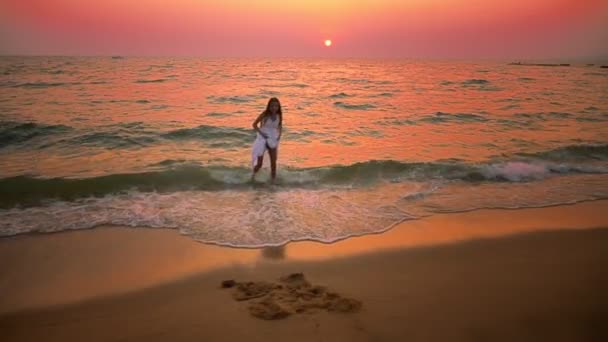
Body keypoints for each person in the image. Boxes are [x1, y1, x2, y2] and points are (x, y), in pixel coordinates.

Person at [251, 97, 283, 182]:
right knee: (259, 164)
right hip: (262, 138)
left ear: (278, 107)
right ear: (269, 106)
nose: (274, 108)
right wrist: (261, 133)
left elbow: (280, 126)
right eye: (272, 106)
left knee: (273, 164)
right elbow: (254, 125)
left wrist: (279, 135)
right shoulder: (265, 114)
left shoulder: (279, 115)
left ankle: (273, 181)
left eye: (276, 106)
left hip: (272, 139)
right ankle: (252, 177)